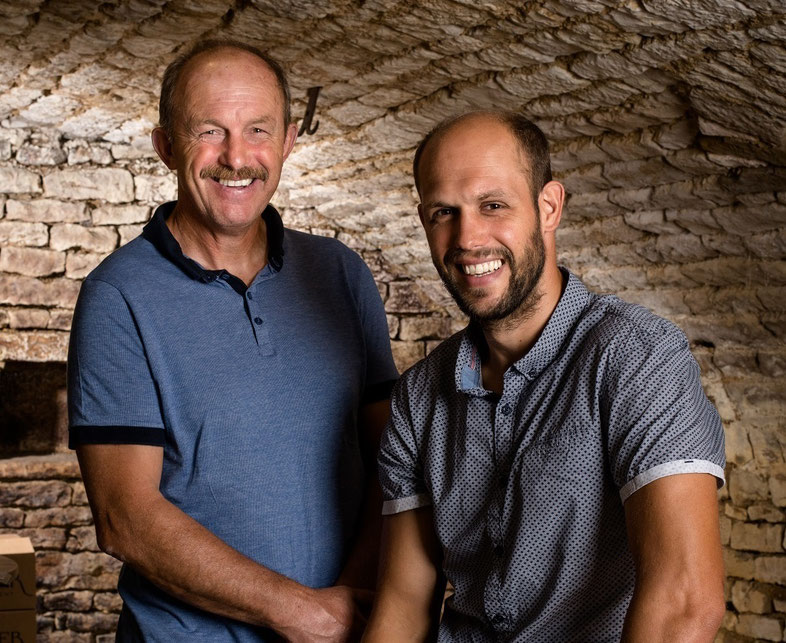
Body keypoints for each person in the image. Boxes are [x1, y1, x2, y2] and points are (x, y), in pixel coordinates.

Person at [68, 39, 398, 641]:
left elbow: (392, 462)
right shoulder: (117, 297)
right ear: (166, 145)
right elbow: (125, 517)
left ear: (289, 140)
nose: (236, 157)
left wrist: (345, 609)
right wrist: (301, 613)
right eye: (209, 132)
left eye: (258, 131)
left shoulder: (340, 274)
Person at [364, 111, 726, 642]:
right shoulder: (418, 397)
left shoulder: (636, 358)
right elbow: (402, 607)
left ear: (549, 206)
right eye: (444, 211)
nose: (467, 238)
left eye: (493, 205)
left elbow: (684, 603)